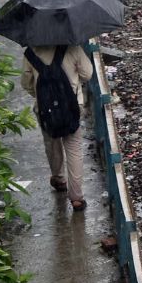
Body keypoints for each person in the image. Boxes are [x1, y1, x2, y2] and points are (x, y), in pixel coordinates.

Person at [20, 44, 95, 211]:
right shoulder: (72, 47)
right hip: (71, 107)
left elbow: (26, 83)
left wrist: (41, 96)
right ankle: (76, 198)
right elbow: (87, 74)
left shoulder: (31, 51)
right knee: (74, 148)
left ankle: (59, 179)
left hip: (45, 109)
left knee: (52, 143)